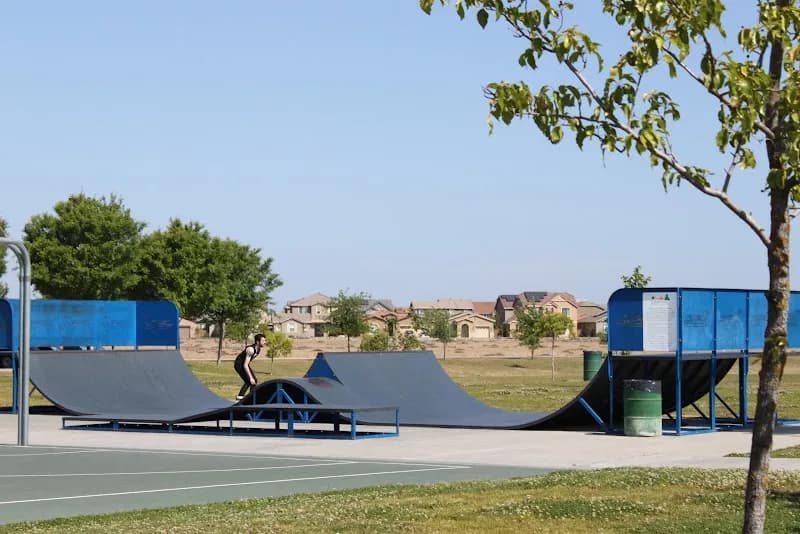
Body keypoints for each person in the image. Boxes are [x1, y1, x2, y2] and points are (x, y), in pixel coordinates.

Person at [233, 333, 266, 401]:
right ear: (257, 341)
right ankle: (240, 397)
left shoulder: (258, 349)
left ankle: (251, 397)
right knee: (249, 381)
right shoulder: (250, 349)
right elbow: (245, 365)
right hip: (239, 364)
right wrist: (250, 377)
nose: (265, 342)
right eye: (263, 341)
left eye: (265, 341)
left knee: (254, 381)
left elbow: (246, 363)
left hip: (244, 364)